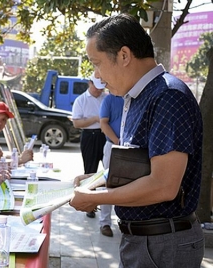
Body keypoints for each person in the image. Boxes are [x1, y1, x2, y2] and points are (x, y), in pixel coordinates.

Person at [69, 13, 204, 267]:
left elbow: (163, 185)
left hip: (164, 243)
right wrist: (97, 180)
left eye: (97, 63)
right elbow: (137, 165)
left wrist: (95, 198)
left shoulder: (167, 96)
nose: (97, 75)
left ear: (123, 55)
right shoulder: (137, 96)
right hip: (143, 241)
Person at [72, 73, 107, 218]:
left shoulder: (106, 98)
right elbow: (77, 123)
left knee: (108, 172)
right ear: (89, 83)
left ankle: (106, 208)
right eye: (96, 87)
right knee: (90, 171)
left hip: (105, 135)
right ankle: (89, 205)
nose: (98, 91)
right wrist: (94, 119)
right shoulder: (81, 100)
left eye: (101, 88)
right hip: (89, 136)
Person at [98, 93, 124, 237]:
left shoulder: (135, 98)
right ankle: (105, 222)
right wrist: (117, 141)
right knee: (108, 182)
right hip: (112, 146)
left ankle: (125, 220)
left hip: (131, 147)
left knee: (127, 184)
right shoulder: (109, 99)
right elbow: (103, 123)